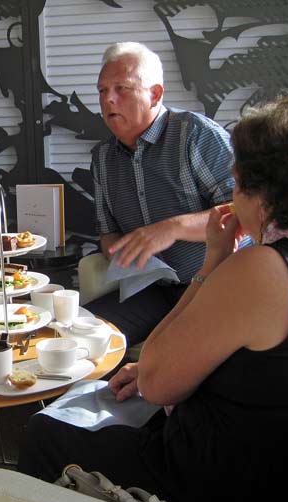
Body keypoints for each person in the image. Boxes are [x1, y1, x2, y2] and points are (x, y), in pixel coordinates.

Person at [19, 94, 288, 502]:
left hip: (216, 492)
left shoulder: (261, 269)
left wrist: (213, 260)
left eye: (236, 182)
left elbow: (156, 382)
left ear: (259, 191)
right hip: (277, 474)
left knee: (44, 436)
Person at [86, 42, 235, 346]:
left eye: (121, 88)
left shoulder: (195, 135)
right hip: (148, 290)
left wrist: (171, 228)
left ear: (155, 94)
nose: (108, 100)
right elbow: (106, 231)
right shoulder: (102, 157)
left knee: (184, 357)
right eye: (102, 91)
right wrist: (117, 250)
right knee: (83, 338)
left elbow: (242, 212)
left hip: (213, 286)